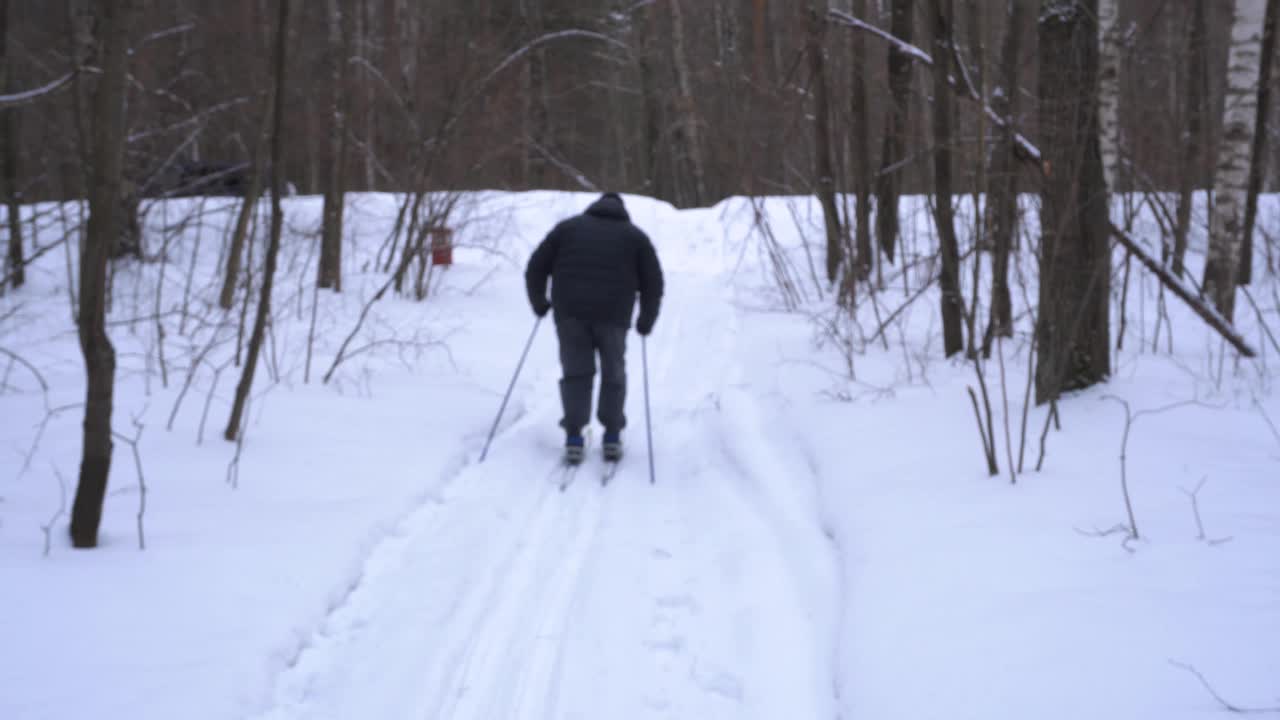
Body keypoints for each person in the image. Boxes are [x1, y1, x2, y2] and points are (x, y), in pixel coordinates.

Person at [525, 192, 664, 465]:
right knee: (613, 372)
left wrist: (539, 302)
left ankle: (574, 437)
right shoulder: (635, 237)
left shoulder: (567, 229)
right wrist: (646, 319)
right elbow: (653, 283)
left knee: (576, 373)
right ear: (622, 211)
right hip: (613, 315)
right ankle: (611, 435)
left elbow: (535, 268)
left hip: (570, 314)